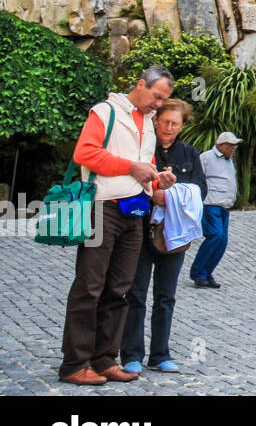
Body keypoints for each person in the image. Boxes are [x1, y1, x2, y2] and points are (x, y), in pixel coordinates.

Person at [58, 66, 176, 386]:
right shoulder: (105, 111)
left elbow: (144, 166)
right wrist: (131, 167)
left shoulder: (148, 123)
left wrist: (157, 180)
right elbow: (85, 153)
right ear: (140, 85)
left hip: (134, 213)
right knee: (90, 287)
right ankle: (74, 363)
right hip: (101, 209)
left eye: (164, 100)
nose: (158, 105)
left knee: (121, 289)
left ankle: (105, 359)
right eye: (156, 97)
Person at [121, 99, 206, 374]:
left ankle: (160, 354)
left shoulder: (190, 154)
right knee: (135, 294)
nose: (169, 127)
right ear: (156, 121)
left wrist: (169, 197)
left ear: (182, 126)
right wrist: (151, 197)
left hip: (174, 236)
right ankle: (131, 354)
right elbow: (125, 187)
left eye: (175, 123)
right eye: (165, 121)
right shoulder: (142, 150)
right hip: (140, 231)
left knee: (166, 297)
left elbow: (200, 191)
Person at [190, 131, 241, 288]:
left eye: (235, 146)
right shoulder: (206, 157)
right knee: (215, 236)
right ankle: (198, 273)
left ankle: (207, 272)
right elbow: (198, 178)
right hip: (211, 204)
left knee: (222, 241)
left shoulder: (229, 160)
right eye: (231, 146)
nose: (234, 149)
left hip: (225, 206)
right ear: (221, 145)